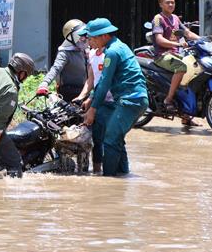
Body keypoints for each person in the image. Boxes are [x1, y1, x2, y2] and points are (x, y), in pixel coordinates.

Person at [80, 18, 148, 177]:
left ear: (104, 36)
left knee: (109, 140)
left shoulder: (112, 52)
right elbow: (101, 82)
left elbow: (104, 82)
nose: (90, 41)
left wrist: (93, 110)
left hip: (130, 100)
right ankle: (123, 175)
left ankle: (108, 180)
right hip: (136, 99)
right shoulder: (120, 46)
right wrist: (91, 97)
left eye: (92, 38)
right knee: (116, 139)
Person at [151, 0, 200, 124]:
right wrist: (178, 45)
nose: (171, 5)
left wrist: (203, 40)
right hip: (162, 55)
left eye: (173, 3)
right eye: (168, 3)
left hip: (176, 54)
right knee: (181, 67)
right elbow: (159, 40)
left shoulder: (175, 18)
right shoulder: (158, 19)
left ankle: (185, 115)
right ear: (161, 4)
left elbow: (187, 33)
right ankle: (168, 99)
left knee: (193, 73)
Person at [73, 32, 115, 174]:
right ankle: (96, 171)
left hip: (111, 101)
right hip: (96, 100)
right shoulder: (91, 54)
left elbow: (106, 82)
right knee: (95, 138)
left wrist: (91, 98)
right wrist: (81, 97)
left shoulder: (109, 55)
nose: (88, 42)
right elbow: (91, 79)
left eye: (89, 39)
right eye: (86, 39)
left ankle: (106, 170)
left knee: (107, 137)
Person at [36, 19, 88, 102]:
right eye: (81, 35)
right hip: (68, 92)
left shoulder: (85, 49)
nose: (85, 38)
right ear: (72, 37)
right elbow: (55, 69)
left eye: (85, 35)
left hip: (84, 91)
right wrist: (44, 83)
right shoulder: (64, 52)